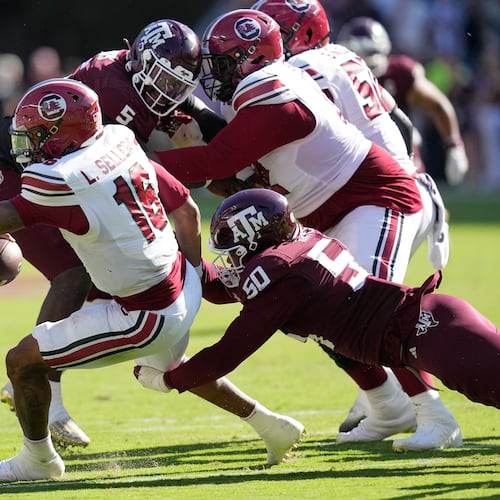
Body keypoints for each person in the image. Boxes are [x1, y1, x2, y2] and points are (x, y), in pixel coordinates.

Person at [153, 9, 460, 451]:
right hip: (326, 210)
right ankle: (387, 404)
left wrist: (137, 166)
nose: (215, 74)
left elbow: (216, 162)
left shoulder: (275, 91)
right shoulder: (257, 92)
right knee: (316, 312)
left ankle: (436, 415)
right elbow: (229, 172)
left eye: (223, 62)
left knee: (366, 309)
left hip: (374, 199)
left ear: (251, 60)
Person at [0, 79, 305, 482]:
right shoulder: (119, 139)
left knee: (22, 361)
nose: (29, 145)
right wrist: (194, 272)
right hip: (182, 282)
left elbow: (9, 217)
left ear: (64, 133)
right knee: (159, 371)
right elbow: (188, 211)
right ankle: (272, 426)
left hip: (144, 313)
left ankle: (37, 461)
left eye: (37, 134)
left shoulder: (61, 178)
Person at [0, 18, 228, 447]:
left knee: (97, 275)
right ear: (140, 61)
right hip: (19, 171)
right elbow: (134, 176)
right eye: (162, 79)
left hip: (53, 175)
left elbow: (192, 122)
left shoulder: (133, 81)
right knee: (74, 276)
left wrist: (219, 143)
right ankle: (43, 393)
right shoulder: (116, 92)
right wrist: (207, 161)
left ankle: (40, 381)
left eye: (179, 85)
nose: (169, 93)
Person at [134, 188, 500, 414]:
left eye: (234, 249)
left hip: (428, 334)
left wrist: (170, 380)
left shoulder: (282, 272)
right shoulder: (294, 249)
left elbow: (230, 350)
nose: (231, 260)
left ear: (257, 238)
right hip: (429, 326)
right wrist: (177, 261)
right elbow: (219, 286)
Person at [336, 16, 469, 186]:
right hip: (357, 159)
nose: (364, 61)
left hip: (403, 157)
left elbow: (438, 104)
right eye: (358, 54)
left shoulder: (399, 74)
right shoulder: (336, 79)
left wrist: (454, 145)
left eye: (370, 53)